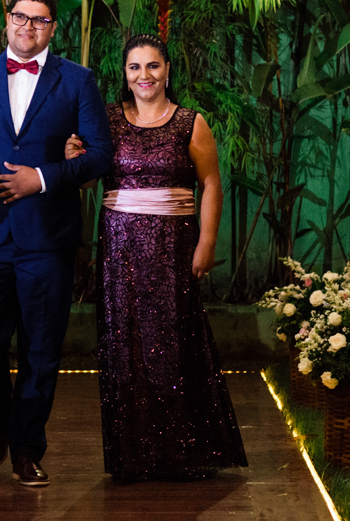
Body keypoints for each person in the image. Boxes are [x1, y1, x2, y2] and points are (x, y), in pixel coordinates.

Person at [0, 0, 113, 487]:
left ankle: (27, 447)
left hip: (48, 236)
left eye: (40, 20)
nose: (28, 26)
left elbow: (100, 155)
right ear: (7, 20)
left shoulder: (77, 80)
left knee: (41, 346)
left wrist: (42, 177)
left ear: (53, 28)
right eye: (20, 16)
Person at [66, 34, 247, 482]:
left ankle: (182, 451)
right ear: (125, 75)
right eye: (135, 67)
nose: (144, 75)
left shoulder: (190, 123)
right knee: (124, 345)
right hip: (120, 248)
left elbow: (211, 184)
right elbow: (87, 183)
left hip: (173, 247)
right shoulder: (107, 119)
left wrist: (207, 242)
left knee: (173, 341)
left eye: (153, 66)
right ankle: (133, 454)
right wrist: (73, 160)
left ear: (167, 71)